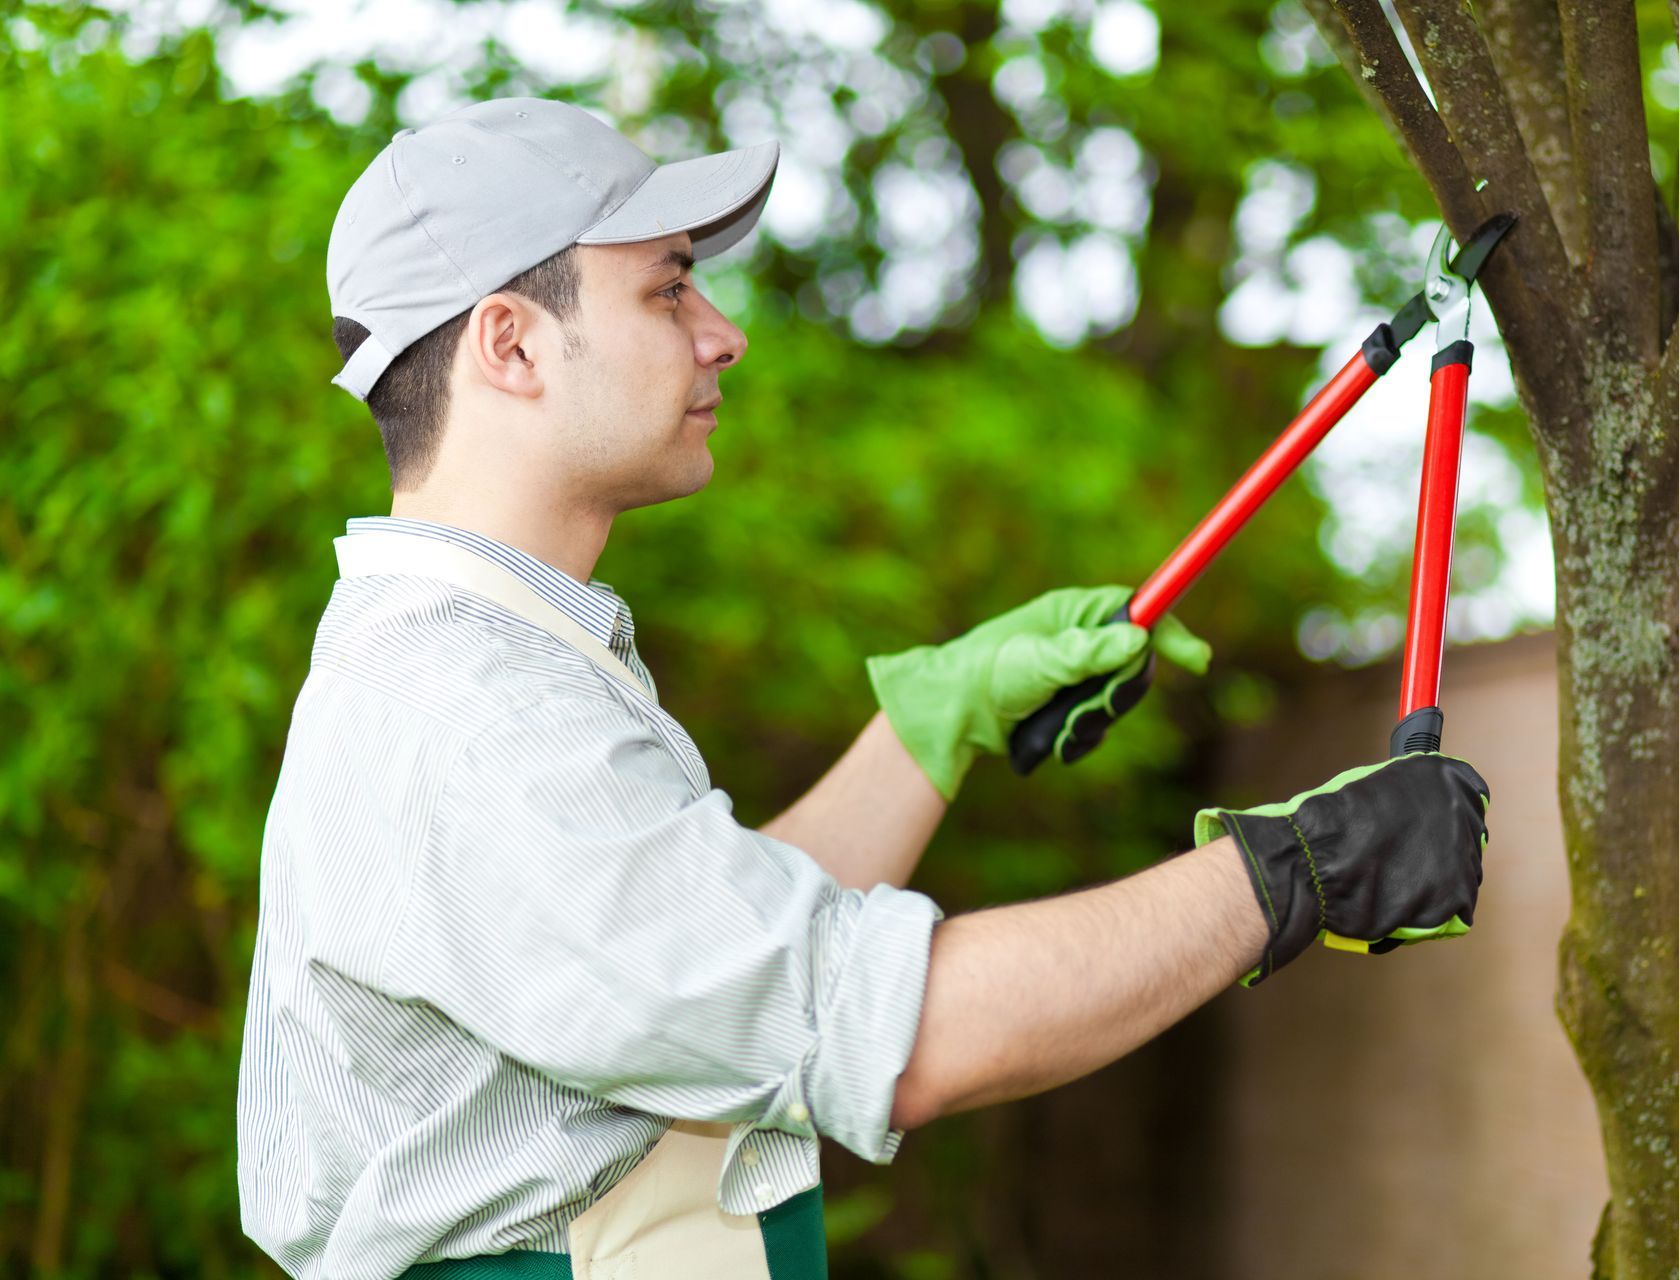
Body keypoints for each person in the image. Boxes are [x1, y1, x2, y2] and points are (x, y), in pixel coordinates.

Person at [237, 97, 1490, 1280]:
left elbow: (703, 961)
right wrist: (1291, 870)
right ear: (510, 343)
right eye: (668, 286)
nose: (722, 329)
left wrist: (935, 716)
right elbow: (892, 1029)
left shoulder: (488, 657)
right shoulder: (474, 716)